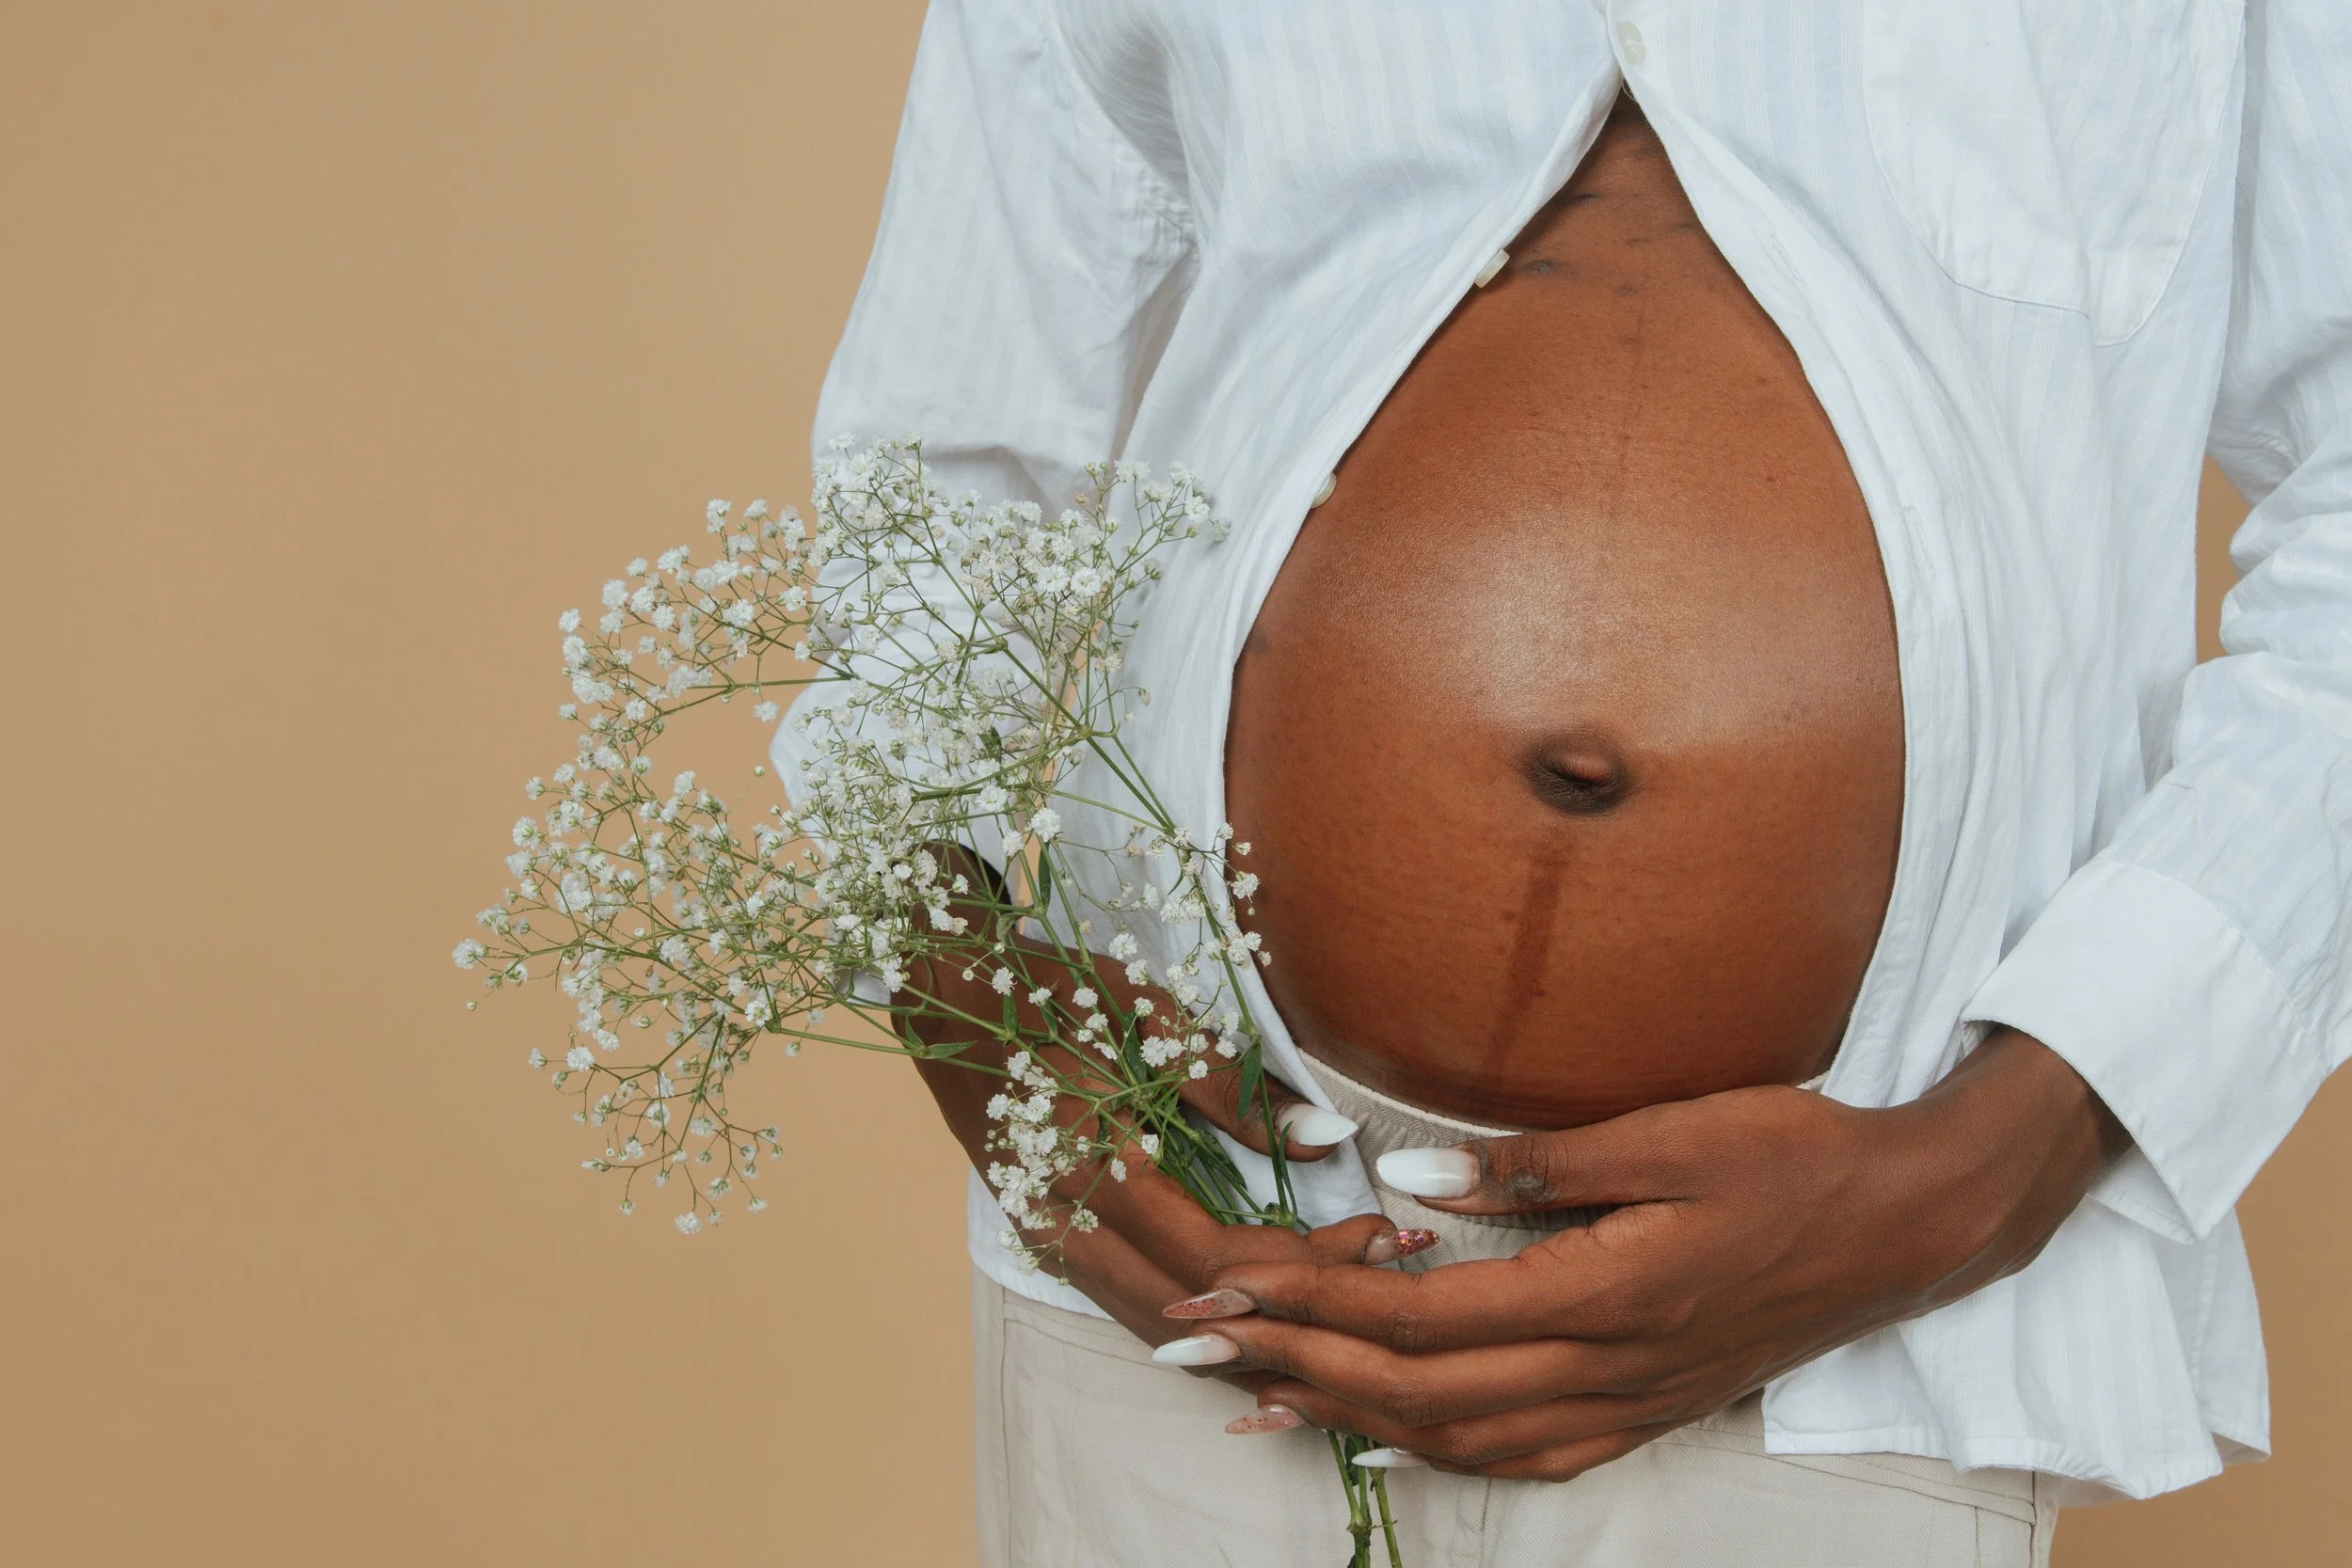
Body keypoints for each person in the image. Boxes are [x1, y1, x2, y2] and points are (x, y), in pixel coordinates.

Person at [771, 4, 2352, 1563]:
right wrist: (952, 977)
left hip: (1838, 1317)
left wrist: (2005, 1152)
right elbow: (946, 438)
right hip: (1208, 1242)